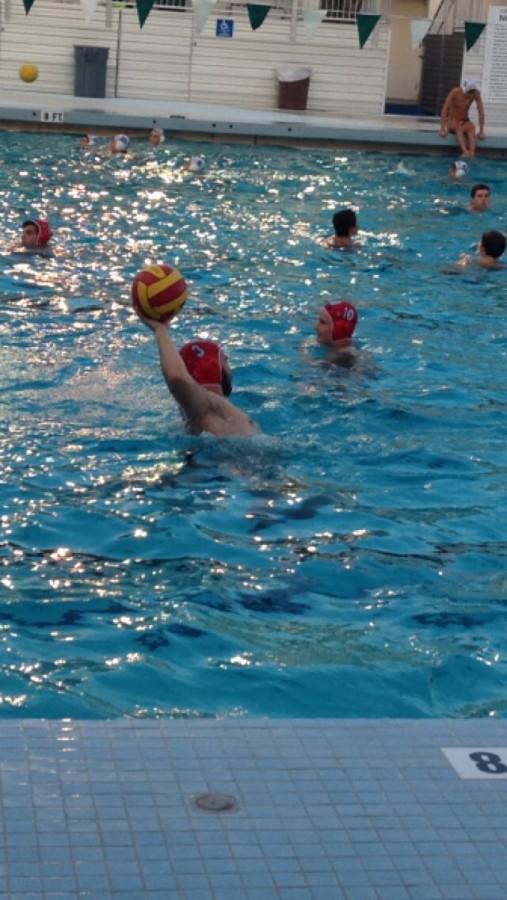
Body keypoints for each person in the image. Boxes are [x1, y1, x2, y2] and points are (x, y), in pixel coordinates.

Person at [138, 314, 258, 437]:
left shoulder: (208, 406)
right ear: (214, 366)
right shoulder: (206, 405)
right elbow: (177, 377)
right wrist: (160, 330)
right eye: (224, 360)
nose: (228, 364)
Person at [440, 79, 486, 158]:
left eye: (473, 93)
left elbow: (481, 112)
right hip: (452, 120)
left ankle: (472, 153)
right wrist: (442, 129)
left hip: (465, 120)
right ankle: (465, 152)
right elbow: (445, 109)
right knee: (458, 127)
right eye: (469, 93)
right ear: (465, 91)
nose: (471, 96)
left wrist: (481, 131)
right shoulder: (455, 92)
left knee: (471, 127)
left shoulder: (476, 94)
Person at [315, 301, 360, 368]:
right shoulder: (353, 349)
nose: (316, 326)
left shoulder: (340, 363)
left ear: (339, 330)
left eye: (323, 322)